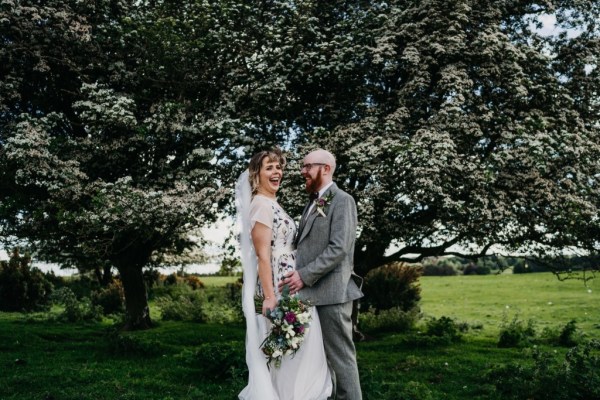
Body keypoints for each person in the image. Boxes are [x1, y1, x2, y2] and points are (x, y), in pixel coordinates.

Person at [236, 148, 332, 400]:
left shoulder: (272, 203)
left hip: (293, 284)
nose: (277, 172)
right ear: (256, 174)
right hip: (279, 289)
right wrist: (270, 297)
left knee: (299, 349)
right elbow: (263, 256)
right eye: (269, 167)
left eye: (278, 167)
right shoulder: (260, 205)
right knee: (290, 350)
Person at [280, 148, 363, 400]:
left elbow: (339, 247)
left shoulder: (343, 200)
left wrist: (304, 275)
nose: (302, 171)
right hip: (312, 294)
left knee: (341, 358)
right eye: (302, 167)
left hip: (333, 294)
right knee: (323, 362)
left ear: (325, 168)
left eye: (307, 166)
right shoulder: (313, 202)